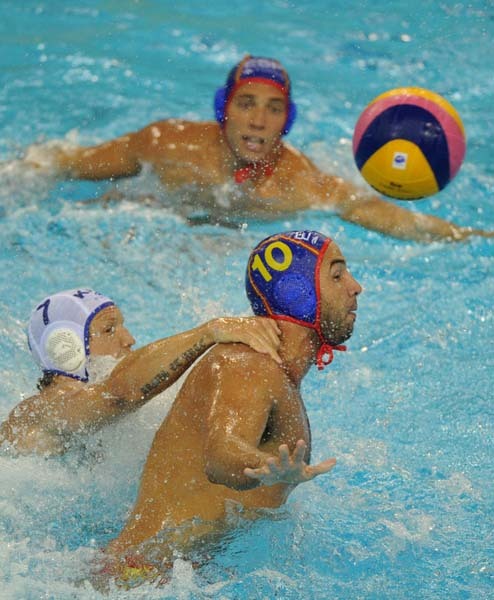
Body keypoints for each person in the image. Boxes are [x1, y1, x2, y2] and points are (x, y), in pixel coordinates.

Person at [103, 229, 361, 585]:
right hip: (138, 576)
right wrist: (266, 466)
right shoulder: (250, 366)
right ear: (297, 293)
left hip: (168, 573)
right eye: (337, 275)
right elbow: (221, 456)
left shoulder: (275, 374)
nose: (355, 286)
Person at [21, 55, 492, 242]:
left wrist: (472, 236)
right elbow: (64, 165)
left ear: (286, 121)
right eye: (247, 104)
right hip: (147, 210)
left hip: (221, 239)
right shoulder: (167, 144)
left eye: (273, 109)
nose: (258, 120)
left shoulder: (300, 183)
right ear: (225, 109)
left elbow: (382, 214)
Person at [0, 288, 282, 457]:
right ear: (65, 346)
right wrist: (208, 332)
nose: (129, 339)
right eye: (110, 329)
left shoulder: (98, 415)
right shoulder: (41, 412)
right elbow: (119, 395)